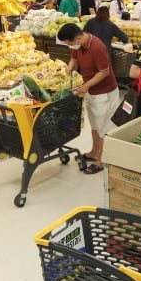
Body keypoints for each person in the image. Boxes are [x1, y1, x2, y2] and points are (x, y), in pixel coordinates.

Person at [57, 23, 120, 175]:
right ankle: (94, 151)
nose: (69, 46)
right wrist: (70, 66)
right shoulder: (78, 45)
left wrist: (86, 85)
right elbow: (74, 59)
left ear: (78, 38)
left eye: (69, 43)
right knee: (94, 125)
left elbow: (104, 72)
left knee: (104, 128)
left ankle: (101, 160)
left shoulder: (98, 47)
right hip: (91, 90)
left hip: (104, 92)